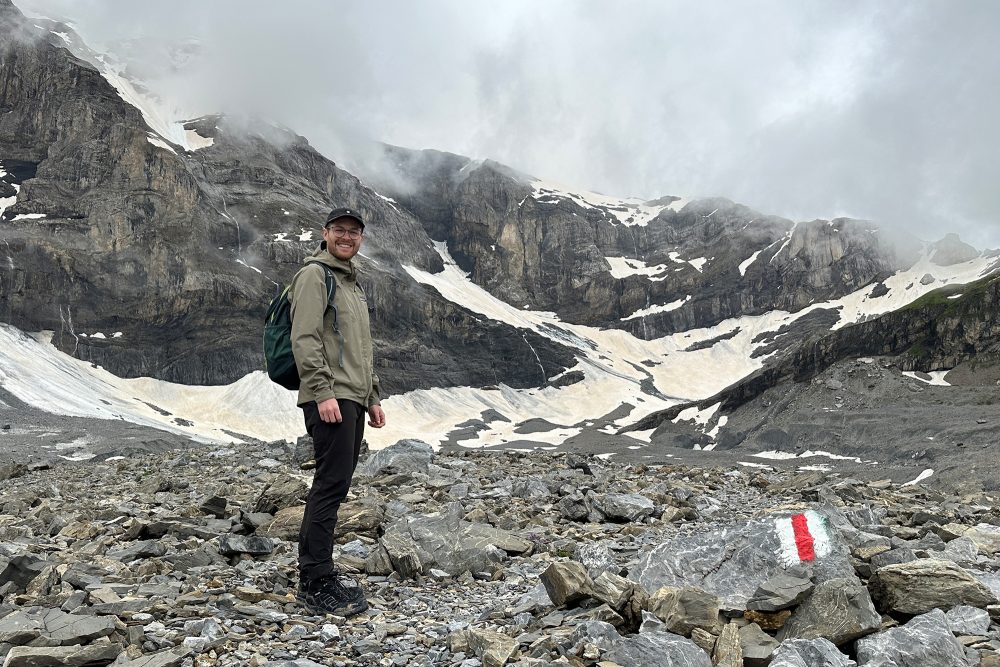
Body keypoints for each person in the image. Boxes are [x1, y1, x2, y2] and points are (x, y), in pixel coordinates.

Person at [289, 206, 386, 616]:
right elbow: (305, 338)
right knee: (329, 485)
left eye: (355, 232)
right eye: (340, 230)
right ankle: (314, 581)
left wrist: (373, 396)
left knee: (336, 484)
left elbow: (361, 351)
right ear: (325, 233)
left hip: (351, 398)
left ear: (361, 238)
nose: (347, 237)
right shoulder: (315, 276)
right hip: (329, 399)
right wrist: (323, 392)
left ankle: (320, 573)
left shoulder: (351, 284)